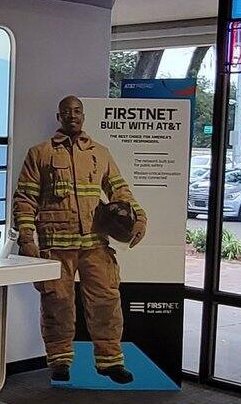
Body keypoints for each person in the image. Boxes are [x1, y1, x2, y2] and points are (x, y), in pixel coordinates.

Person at [13, 96, 146, 384]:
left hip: (95, 245)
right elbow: (24, 198)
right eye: (66, 112)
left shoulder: (100, 153)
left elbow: (120, 191)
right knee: (57, 303)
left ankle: (110, 361)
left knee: (106, 301)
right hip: (55, 246)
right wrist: (26, 239)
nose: (72, 116)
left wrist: (139, 219)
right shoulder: (40, 153)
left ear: (83, 116)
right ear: (58, 116)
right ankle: (59, 360)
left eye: (77, 111)